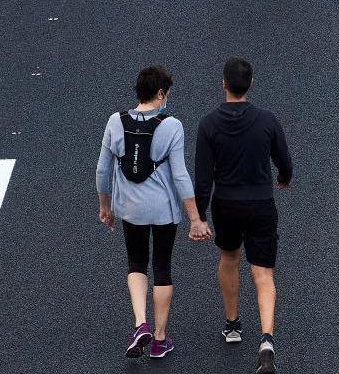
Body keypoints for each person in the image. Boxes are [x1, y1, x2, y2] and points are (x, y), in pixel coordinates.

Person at [95, 65, 212, 359]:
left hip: (130, 209)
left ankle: (140, 323)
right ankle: (159, 339)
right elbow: (181, 176)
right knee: (162, 266)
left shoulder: (114, 121)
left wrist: (105, 207)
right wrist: (196, 219)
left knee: (136, 262)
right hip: (163, 211)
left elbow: (102, 169)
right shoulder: (172, 125)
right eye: (167, 93)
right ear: (160, 93)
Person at [195, 57, 293, 374]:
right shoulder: (266, 120)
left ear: (223, 83)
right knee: (263, 273)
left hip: (226, 205)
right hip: (261, 204)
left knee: (229, 259)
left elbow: (203, 177)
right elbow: (284, 161)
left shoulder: (208, 124)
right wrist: (284, 178)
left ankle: (233, 324)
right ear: (250, 84)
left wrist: (199, 215)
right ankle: (266, 340)